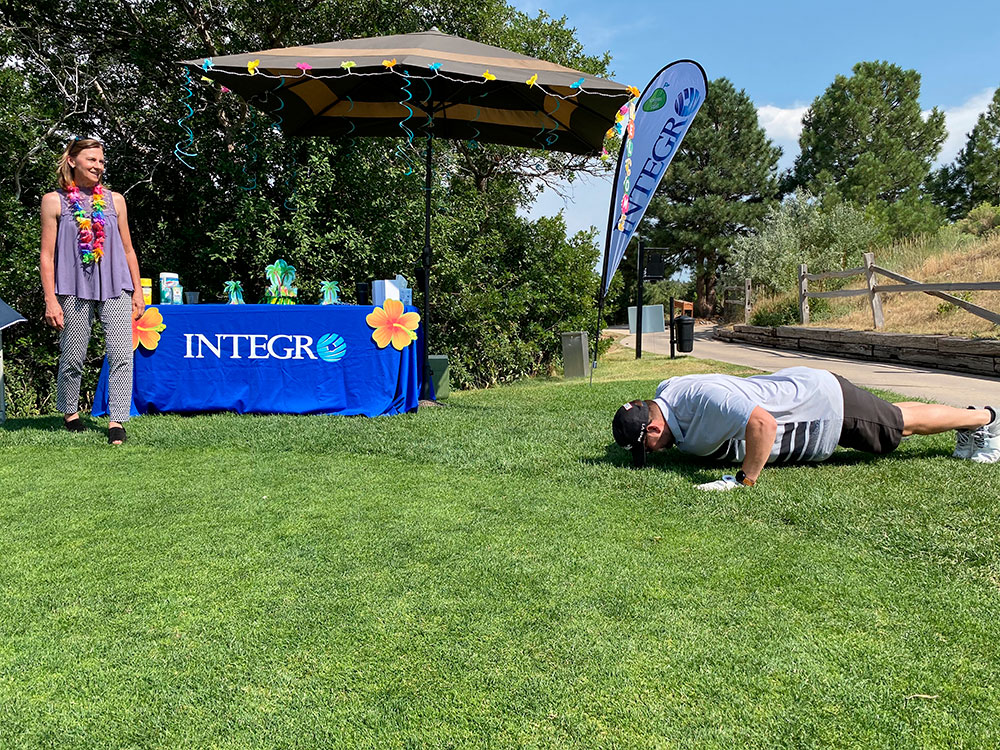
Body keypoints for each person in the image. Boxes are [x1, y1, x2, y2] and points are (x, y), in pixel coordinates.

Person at [612, 366, 1000, 490]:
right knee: (896, 417)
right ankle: (969, 421)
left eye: (649, 447)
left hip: (820, 404)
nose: (656, 453)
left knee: (895, 429)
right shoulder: (666, 394)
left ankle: (986, 419)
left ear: (652, 426)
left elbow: (761, 423)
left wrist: (742, 480)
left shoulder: (702, 400)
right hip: (806, 389)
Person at [39, 138, 145, 445]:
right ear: (72, 161)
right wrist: (50, 300)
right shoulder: (54, 201)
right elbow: (46, 256)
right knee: (73, 354)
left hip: (116, 285)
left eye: (101, 161)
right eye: (92, 160)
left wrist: (137, 291)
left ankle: (117, 421)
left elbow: (127, 249)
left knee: (122, 354)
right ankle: (70, 413)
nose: (98, 166)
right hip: (72, 287)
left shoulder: (116, 200)